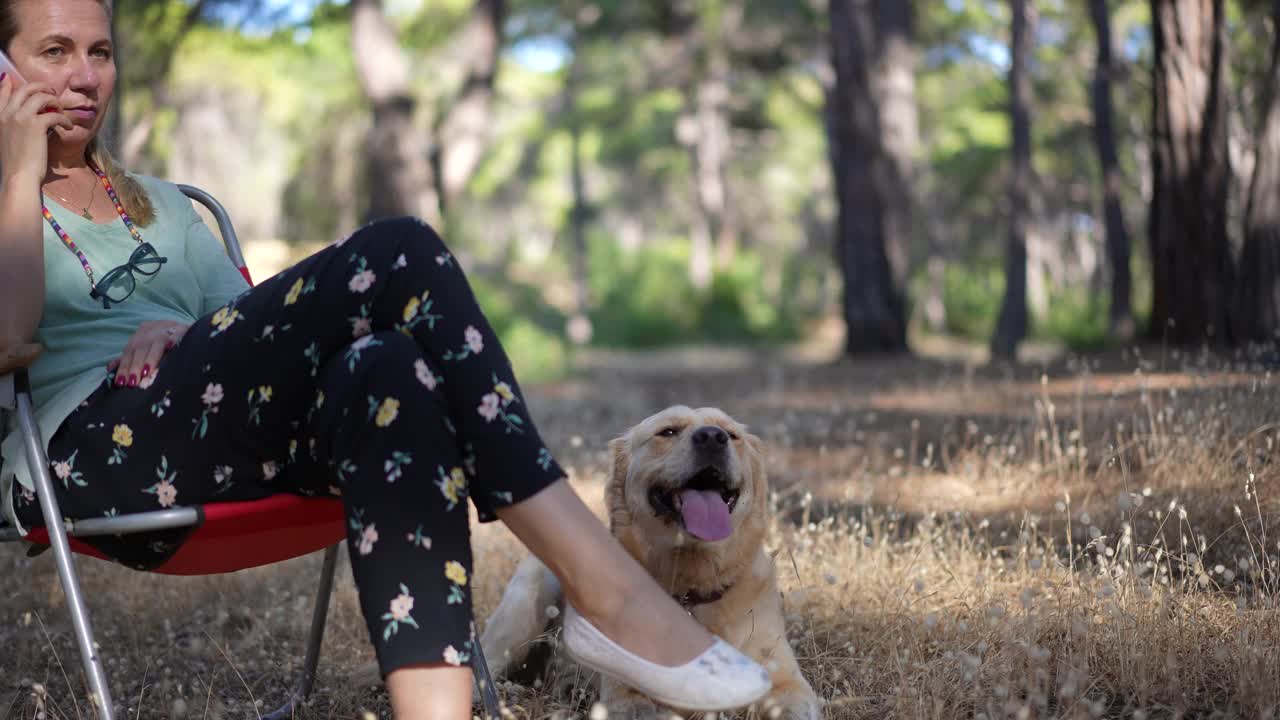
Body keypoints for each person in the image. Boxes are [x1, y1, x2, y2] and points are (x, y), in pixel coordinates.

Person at [0, 1, 773, 718]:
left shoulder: (164, 205)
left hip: (209, 441)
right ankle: (607, 590)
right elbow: (9, 338)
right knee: (398, 247)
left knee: (389, 370)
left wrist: (178, 329)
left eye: (99, 51)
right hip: (85, 460)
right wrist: (14, 170)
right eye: (54, 51)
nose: (84, 75)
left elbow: (250, 336)